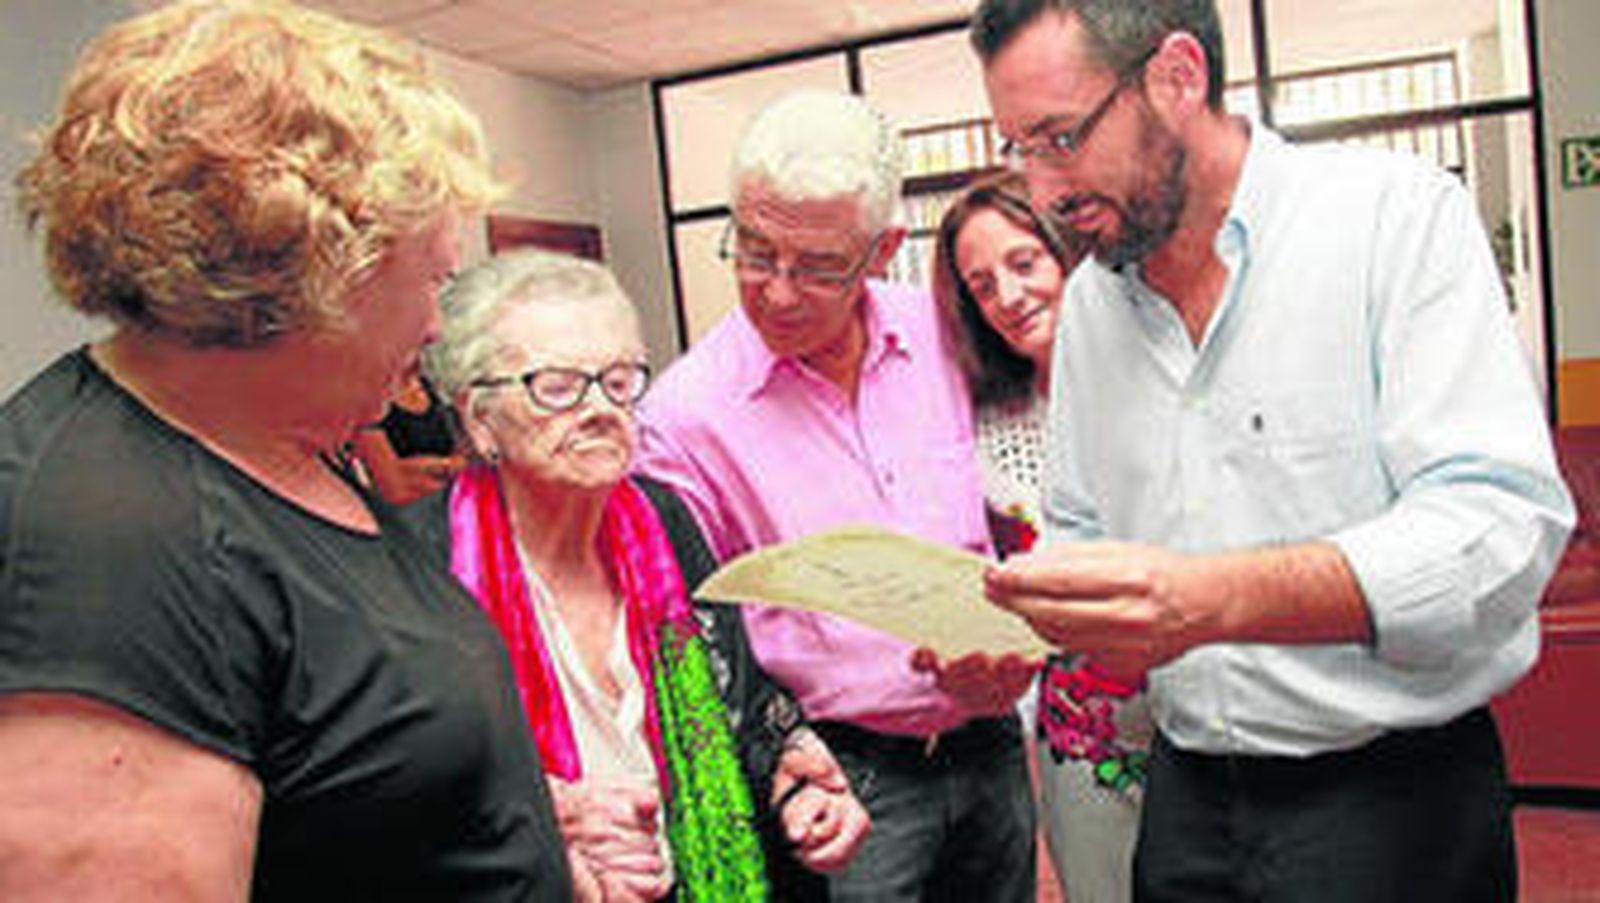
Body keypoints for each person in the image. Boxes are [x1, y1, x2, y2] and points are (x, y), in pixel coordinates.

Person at [970, 1, 1575, 901]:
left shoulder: (1391, 220)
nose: (1046, 190)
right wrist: (1017, 632)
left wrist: (1209, 600)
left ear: (1178, 76)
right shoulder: (1096, 302)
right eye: (1020, 148)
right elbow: (1080, 524)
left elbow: (1496, 527)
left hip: (1393, 796)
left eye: (1061, 137)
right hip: (1185, 799)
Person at [0, 2, 575, 899]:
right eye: (431, 278)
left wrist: (498, 818)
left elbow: (337, 777)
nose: (435, 323)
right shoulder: (104, 546)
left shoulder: (286, 442)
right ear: (315, 275)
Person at [635, 89, 1037, 901]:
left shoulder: (944, 332)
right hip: (843, 776)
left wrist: (1018, 651)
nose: (777, 292)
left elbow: (1025, 503)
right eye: (753, 252)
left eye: (819, 266)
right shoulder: (682, 415)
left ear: (883, 248)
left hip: (991, 743)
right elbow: (693, 633)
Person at [415, 248, 871, 901]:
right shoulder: (424, 567)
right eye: (557, 385)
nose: (600, 407)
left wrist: (793, 775)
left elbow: (738, 694)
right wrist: (541, 829)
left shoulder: (663, 518)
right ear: (478, 416)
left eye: (619, 378)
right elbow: (412, 800)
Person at [932, 170, 1151, 903]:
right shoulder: (985, 421)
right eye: (983, 285)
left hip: (1194, 703)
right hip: (1079, 725)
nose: (1008, 296)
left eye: (1023, 263)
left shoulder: (1156, 386)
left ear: (1068, 252)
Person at [351, 372, 466, 505]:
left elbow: (465, 453)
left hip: (453, 499)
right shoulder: (367, 402)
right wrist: (449, 466)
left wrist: (428, 467)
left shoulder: (428, 384)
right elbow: (395, 488)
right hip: (412, 511)